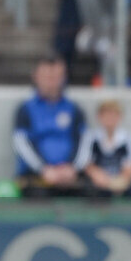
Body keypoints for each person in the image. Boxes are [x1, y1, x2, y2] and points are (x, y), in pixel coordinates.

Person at [13, 55, 86, 197]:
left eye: (56, 76)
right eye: (47, 76)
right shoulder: (26, 109)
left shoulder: (74, 109)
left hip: (69, 176)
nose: (52, 82)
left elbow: (84, 141)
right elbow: (21, 144)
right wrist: (44, 170)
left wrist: (71, 169)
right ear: (36, 77)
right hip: (37, 177)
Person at [75, 100, 131, 197]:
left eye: (113, 115)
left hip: (120, 180)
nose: (110, 119)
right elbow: (85, 162)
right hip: (98, 182)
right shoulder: (91, 137)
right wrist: (99, 177)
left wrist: (121, 180)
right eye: (106, 115)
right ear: (99, 117)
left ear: (119, 117)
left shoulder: (127, 138)